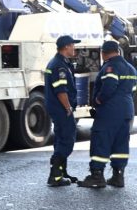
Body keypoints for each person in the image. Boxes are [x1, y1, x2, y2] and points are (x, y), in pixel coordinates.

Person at [78, 39, 137, 189]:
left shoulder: (110, 67)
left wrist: (97, 101)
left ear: (103, 53)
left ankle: (97, 176)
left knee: (101, 140)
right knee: (120, 143)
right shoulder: (131, 68)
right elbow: (133, 90)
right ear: (118, 51)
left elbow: (109, 87)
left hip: (110, 111)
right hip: (127, 111)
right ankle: (118, 176)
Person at [44, 35, 80, 186]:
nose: (74, 48)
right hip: (61, 109)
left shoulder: (58, 62)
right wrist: (68, 107)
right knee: (67, 140)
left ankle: (61, 172)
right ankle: (55, 176)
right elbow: (61, 90)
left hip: (56, 108)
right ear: (66, 47)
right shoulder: (59, 65)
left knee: (60, 139)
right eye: (72, 45)